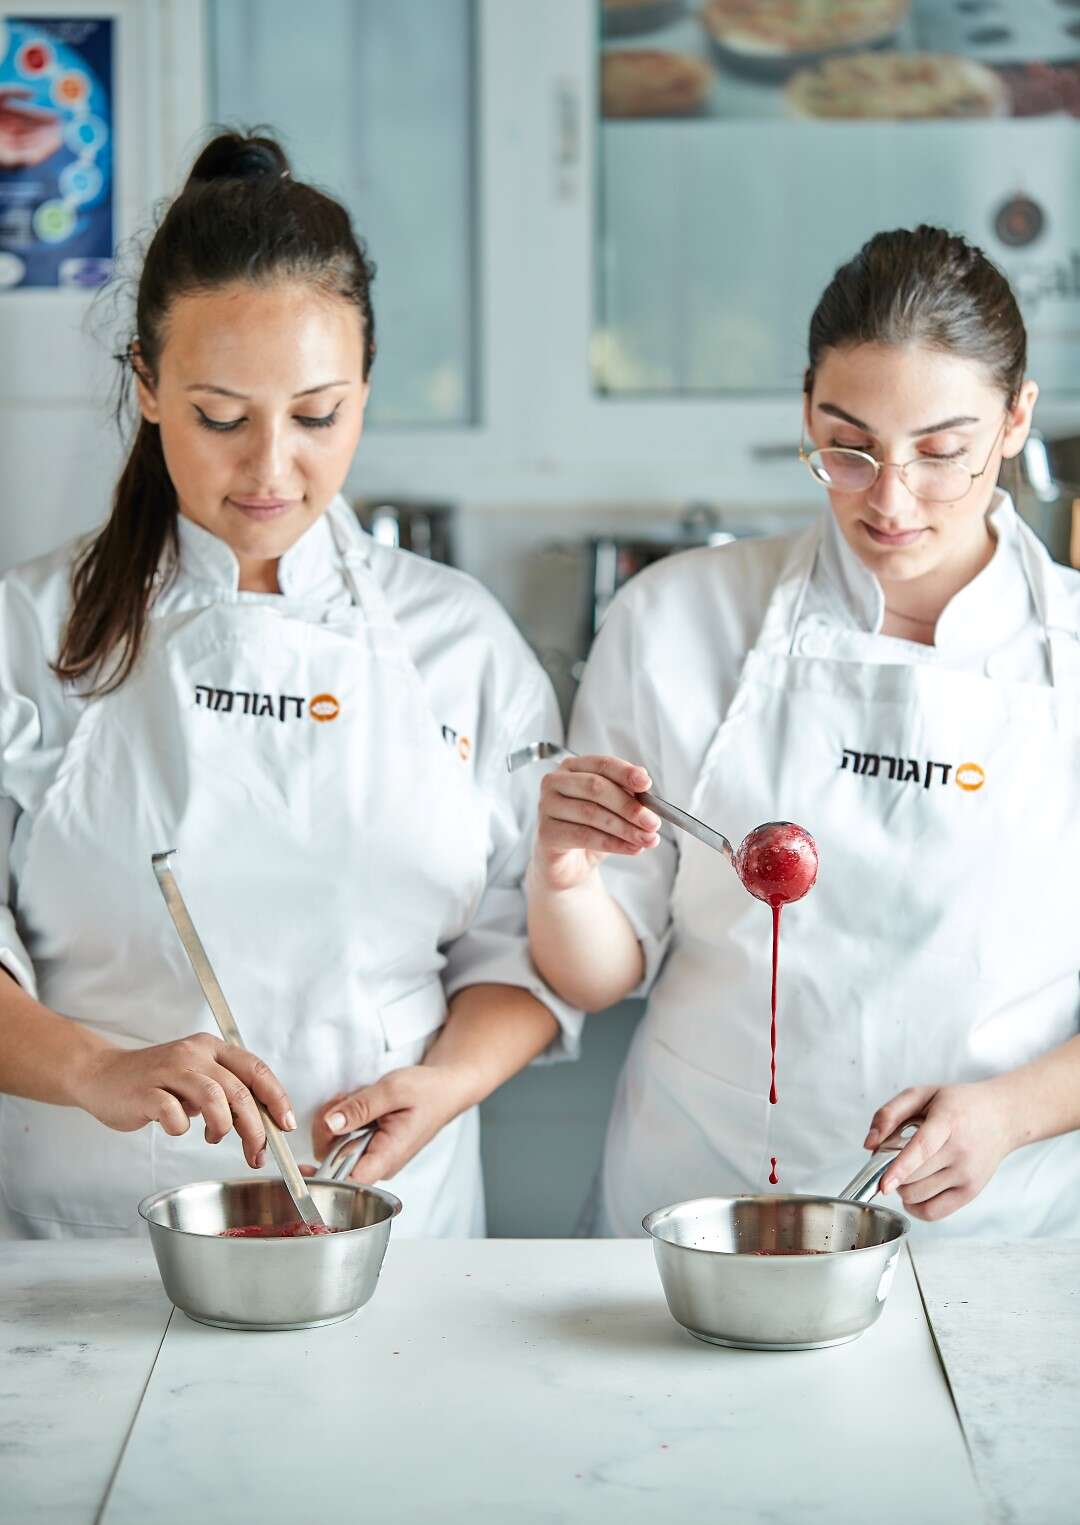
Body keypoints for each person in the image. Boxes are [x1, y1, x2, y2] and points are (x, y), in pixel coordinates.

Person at [0, 131, 578, 1240]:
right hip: (94, 1247)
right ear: (147, 385)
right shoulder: (30, 632)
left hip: (390, 1236)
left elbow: (522, 948)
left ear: (366, 384)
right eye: (221, 417)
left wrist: (449, 1081)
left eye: (318, 416)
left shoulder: (457, 639)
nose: (271, 469)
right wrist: (93, 1069)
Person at [527, 226, 1080, 1239]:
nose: (890, 499)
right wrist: (563, 873)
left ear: (1015, 420)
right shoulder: (676, 620)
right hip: (708, 1209)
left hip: (997, 1237)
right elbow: (598, 973)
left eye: (941, 453)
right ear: (806, 411)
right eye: (848, 446)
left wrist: (1012, 1111)